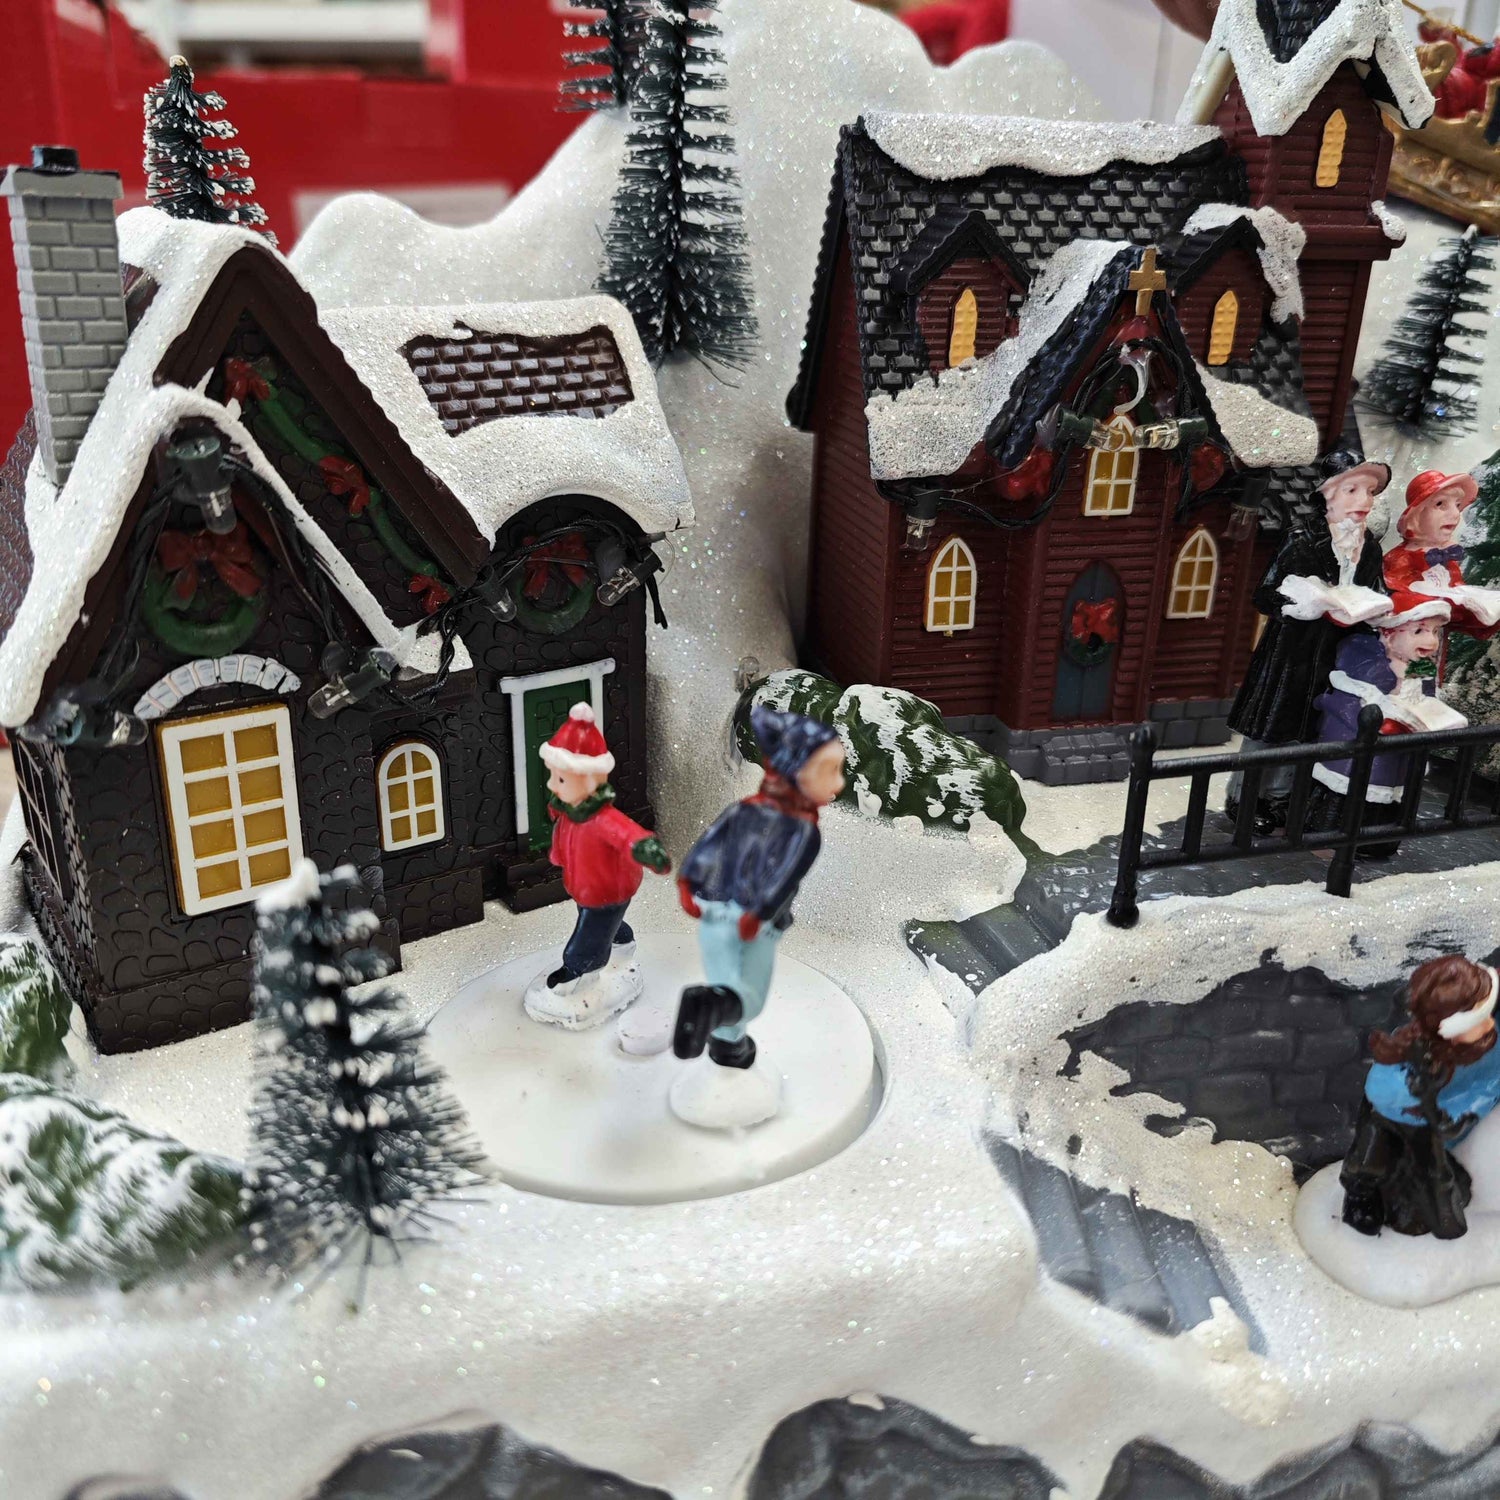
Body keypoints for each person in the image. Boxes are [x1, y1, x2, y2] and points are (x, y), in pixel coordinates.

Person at [669, 705, 846, 1129]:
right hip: (753, 923)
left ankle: (727, 1049)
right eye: (830, 771)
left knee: (723, 980)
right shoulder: (803, 830)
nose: (838, 783)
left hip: (712, 912)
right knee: (748, 997)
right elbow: (783, 879)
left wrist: (687, 884)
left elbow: (706, 848)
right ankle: (714, 1016)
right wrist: (760, 914)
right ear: (795, 770)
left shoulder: (744, 809)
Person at [1226, 448, 1391, 832]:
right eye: (1353, 490)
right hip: (1291, 654)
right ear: (1328, 493)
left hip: (1336, 653)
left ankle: (1282, 798)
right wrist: (1304, 603)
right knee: (1270, 728)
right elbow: (1265, 595)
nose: (1364, 501)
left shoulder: (1370, 547)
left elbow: (1378, 592)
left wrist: (1376, 610)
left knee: (1311, 728)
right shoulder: (1300, 539)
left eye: (1370, 492)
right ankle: (1245, 799)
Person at [522, 703, 672, 1030]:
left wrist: (647, 850)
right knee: (601, 924)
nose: (552, 785)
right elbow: (564, 839)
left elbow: (629, 835)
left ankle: (578, 972)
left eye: (561, 778)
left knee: (589, 933)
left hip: (608, 891)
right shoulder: (569, 811)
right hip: (585, 888)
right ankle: (622, 944)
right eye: (553, 776)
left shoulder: (603, 820)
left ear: (590, 781)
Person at [1341, 955, 1500, 1240]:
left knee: (1436, 1179)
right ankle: (1358, 1196)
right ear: (1452, 1028)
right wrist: (1413, 1091)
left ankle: (1444, 1224)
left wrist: (1454, 1117)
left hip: (1429, 1125)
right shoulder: (1410, 1049)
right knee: (1367, 1161)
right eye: (1479, 1020)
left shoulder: (1480, 1050)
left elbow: (1485, 1087)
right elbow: (1379, 1089)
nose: (1488, 1024)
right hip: (1386, 1116)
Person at [1304, 592, 1463, 857]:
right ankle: (1329, 835)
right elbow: (1346, 706)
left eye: (1435, 632)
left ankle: (1377, 842)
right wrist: (1383, 719)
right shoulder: (1365, 664)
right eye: (1419, 631)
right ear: (1389, 634)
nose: (1431, 641)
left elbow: (1425, 697)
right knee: (1349, 792)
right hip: (1357, 753)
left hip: (1396, 751)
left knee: (1389, 794)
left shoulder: (1420, 667)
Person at [1383, 469, 1500, 673]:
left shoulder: (1447, 560)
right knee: (1402, 678)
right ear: (1416, 514)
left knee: (1430, 675)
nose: (1454, 514)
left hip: (1435, 637)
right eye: (1440, 504)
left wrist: (1472, 607)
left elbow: (1456, 593)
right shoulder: (1401, 558)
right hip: (1403, 645)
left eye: (1457, 506)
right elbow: (1393, 598)